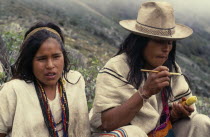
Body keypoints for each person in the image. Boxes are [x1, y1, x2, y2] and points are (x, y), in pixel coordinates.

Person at [89, 1, 210, 137]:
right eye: (159, 41)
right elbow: (108, 123)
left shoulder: (172, 69)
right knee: (134, 132)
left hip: (160, 134)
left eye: (169, 42)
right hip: (122, 133)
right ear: (141, 41)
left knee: (201, 123)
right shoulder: (117, 67)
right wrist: (145, 92)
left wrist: (177, 113)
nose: (166, 49)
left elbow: (163, 120)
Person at [0, 22, 90, 137]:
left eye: (56, 56)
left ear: (64, 56)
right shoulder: (13, 90)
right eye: (42, 59)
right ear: (30, 61)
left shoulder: (75, 81)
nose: (50, 65)